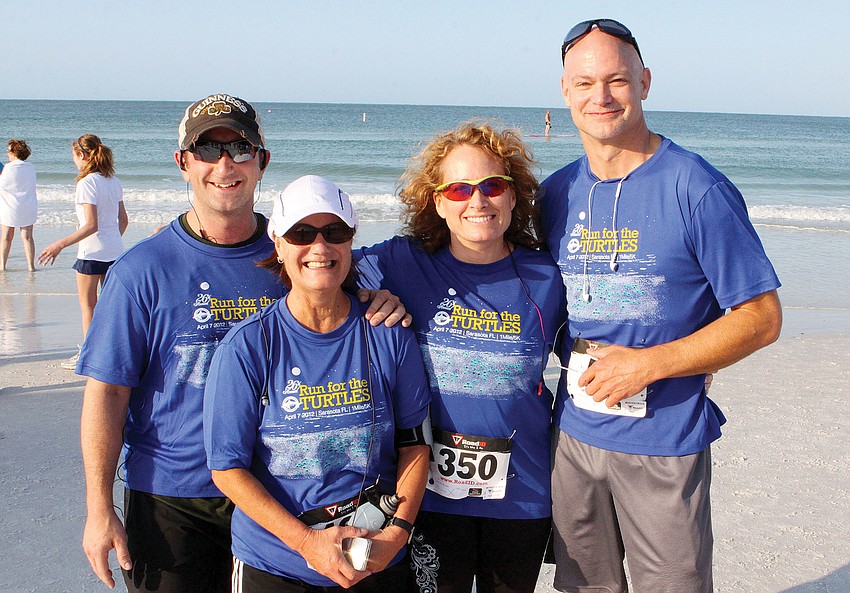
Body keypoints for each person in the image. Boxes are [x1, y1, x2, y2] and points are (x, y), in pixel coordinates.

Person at [77, 93, 407, 593]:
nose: (225, 164)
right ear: (183, 162)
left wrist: (382, 297)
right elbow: (107, 392)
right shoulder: (142, 271)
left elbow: (355, 285)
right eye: (208, 149)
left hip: (281, 499)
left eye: (240, 148)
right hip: (174, 498)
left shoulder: (297, 251)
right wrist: (99, 507)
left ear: (261, 161)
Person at [539, 19, 783, 593]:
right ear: (566, 91)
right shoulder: (555, 193)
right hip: (572, 436)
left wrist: (650, 364)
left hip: (663, 440)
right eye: (585, 83)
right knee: (582, 586)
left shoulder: (696, 187)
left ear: (644, 82)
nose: (601, 97)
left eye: (618, 80)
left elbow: (761, 318)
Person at [355, 122, 565, 593]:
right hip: (427, 497)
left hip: (522, 492)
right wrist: (367, 294)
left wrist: (688, 359)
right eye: (459, 189)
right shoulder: (400, 262)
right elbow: (317, 264)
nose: (477, 201)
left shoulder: (548, 276)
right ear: (437, 202)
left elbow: (604, 331)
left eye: (493, 186)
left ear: (513, 195)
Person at [204, 175, 431, 592]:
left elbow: (414, 444)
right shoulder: (247, 345)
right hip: (277, 564)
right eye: (302, 234)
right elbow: (227, 469)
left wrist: (397, 534)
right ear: (278, 244)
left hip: (374, 556)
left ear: (351, 241)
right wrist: (307, 544)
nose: (320, 247)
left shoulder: (389, 332)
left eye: (335, 232)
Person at [38, 134, 128, 368]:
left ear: (82, 155)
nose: (74, 161)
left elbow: (90, 225)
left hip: (91, 254)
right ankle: (111, 353)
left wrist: (59, 244)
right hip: (115, 252)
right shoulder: (113, 180)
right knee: (109, 307)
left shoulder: (86, 183)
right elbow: (124, 220)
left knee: (88, 306)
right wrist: (112, 240)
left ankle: (89, 355)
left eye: (74, 156)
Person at [0, 139, 38, 271]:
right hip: (28, 205)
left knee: (6, 237)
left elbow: (3, 184)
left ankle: (2, 266)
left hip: (10, 206)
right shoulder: (30, 167)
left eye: (8, 150)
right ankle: (31, 266)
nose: (7, 153)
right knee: (27, 237)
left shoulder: (8, 168)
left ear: (14, 152)